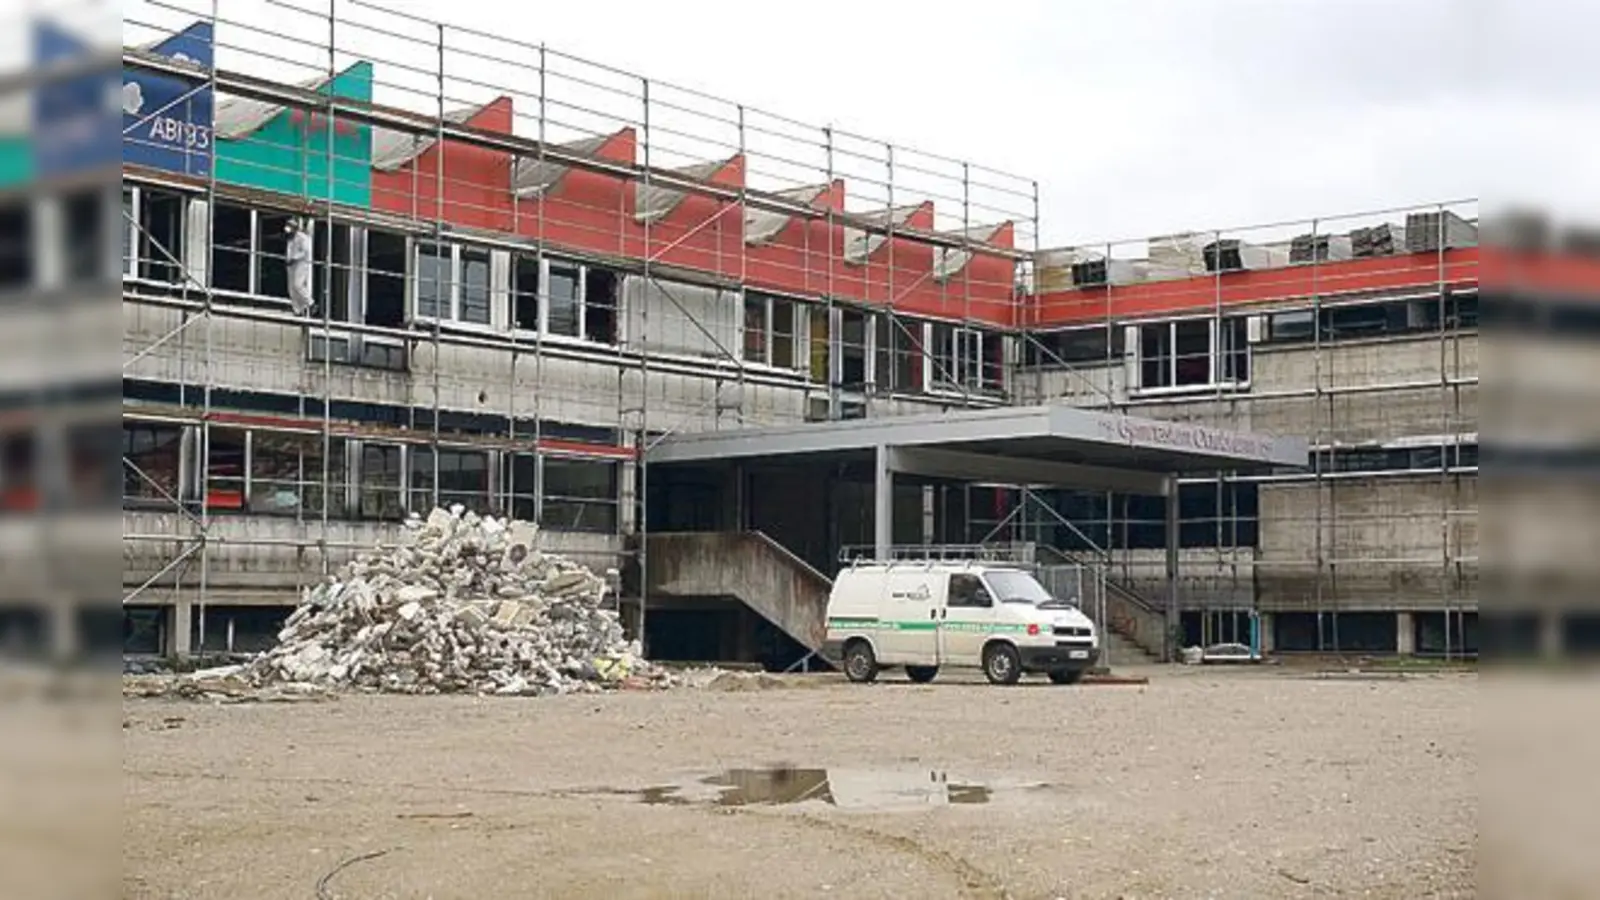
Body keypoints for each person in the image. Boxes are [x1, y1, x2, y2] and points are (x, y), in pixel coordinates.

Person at [284, 218, 314, 316]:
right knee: (291, 288)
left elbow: (305, 251)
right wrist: (288, 260)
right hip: (291, 265)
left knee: (298, 285)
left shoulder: (302, 237)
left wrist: (294, 258)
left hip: (301, 264)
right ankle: (297, 310)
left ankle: (310, 302)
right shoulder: (289, 238)